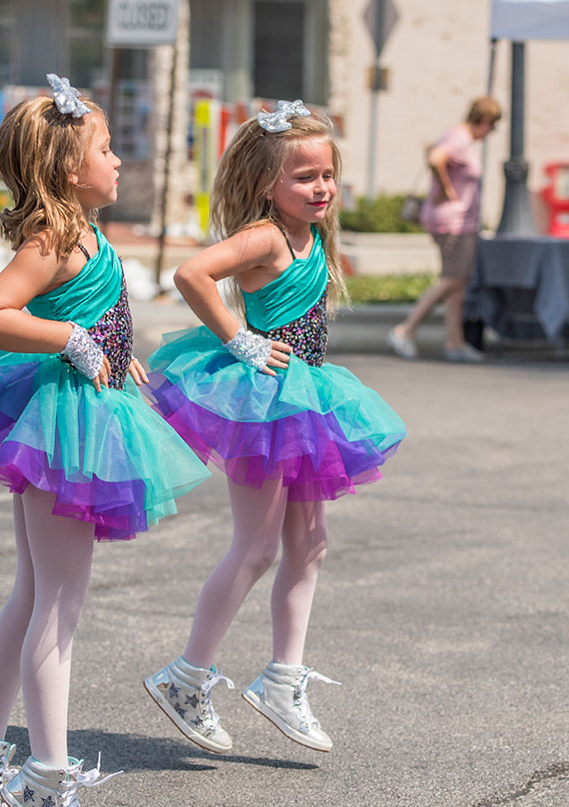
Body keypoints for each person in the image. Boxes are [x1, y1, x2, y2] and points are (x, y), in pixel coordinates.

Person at [0, 75, 209, 807]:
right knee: (58, 604)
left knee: (33, 596)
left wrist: (119, 349)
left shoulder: (84, 232)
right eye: (106, 149)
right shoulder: (54, 240)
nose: (118, 161)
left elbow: (91, 307)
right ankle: (46, 779)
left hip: (75, 415)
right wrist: (75, 343)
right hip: (65, 427)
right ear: (65, 165)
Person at [143, 101, 406, 755]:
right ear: (267, 183)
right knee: (257, 548)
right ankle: (185, 676)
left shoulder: (313, 236)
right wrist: (240, 341)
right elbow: (190, 273)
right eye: (304, 177)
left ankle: (283, 679)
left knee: (309, 547)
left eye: (327, 175)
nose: (321, 187)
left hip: (308, 399)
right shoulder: (265, 237)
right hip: (263, 402)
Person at [386, 97, 501, 363]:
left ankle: (455, 342)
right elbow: (435, 158)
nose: (490, 133)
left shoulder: (455, 135)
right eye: (492, 127)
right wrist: (448, 190)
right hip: (454, 221)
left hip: (455, 220)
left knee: (456, 283)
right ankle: (405, 329)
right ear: (483, 121)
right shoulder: (460, 139)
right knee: (454, 280)